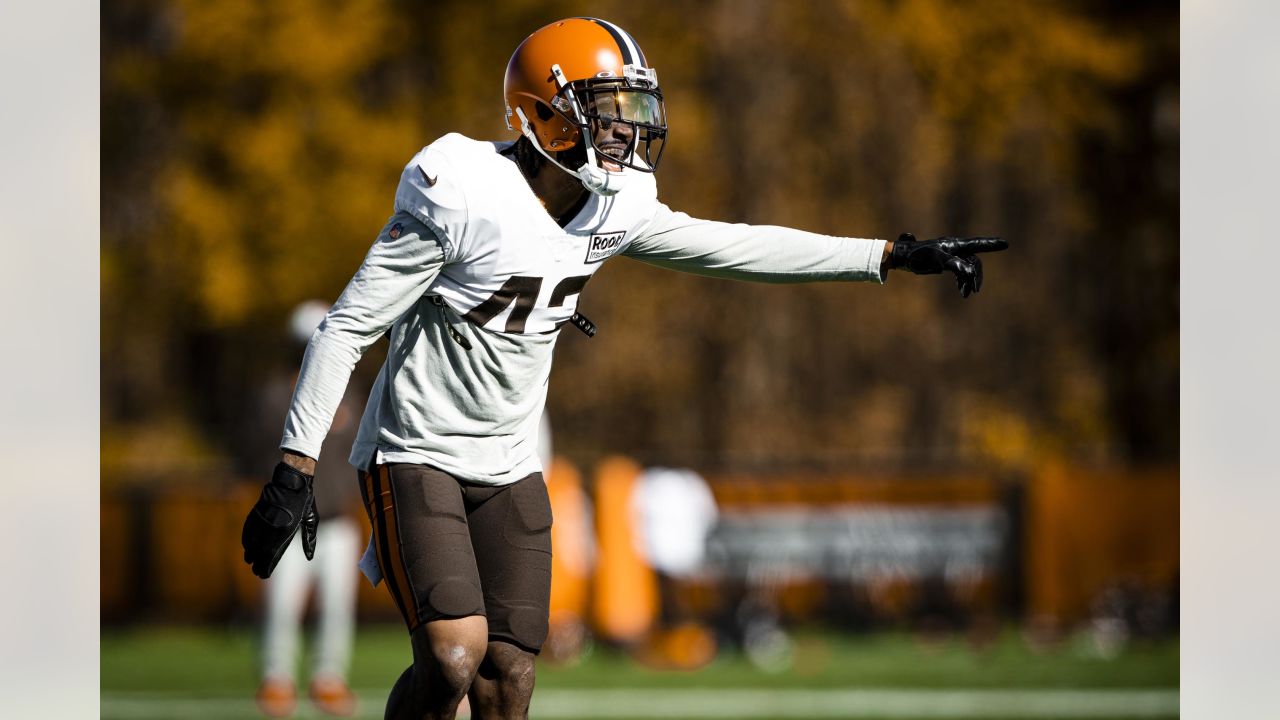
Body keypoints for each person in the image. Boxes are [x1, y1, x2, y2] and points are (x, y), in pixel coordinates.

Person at [240, 17, 1008, 720]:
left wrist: (888, 255)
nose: (626, 132)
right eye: (605, 111)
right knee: (452, 657)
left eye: (632, 111)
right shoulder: (460, 190)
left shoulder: (617, 203)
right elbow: (345, 328)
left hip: (508, 461)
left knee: (508, 675)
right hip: (418, 450)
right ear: (541, 113)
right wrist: (293, 469)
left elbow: (736, 248)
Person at [252, 301, 364, 718]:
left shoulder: (349, 394)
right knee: (281, 606)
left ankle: (328, 679)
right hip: (288, 523)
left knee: (337, 609)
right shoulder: (274, 395)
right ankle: (276, 678)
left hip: (337, 519)